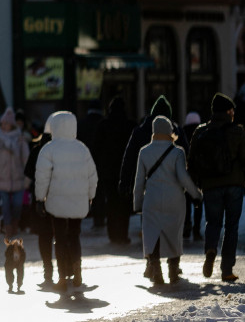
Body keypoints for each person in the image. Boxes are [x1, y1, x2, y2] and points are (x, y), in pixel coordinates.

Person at [188, 93, 245, 282]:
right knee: (231, 226)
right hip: (234, 186)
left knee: (213, 223)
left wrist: (193, 189)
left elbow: (192, 163)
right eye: (232, 110)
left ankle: (211, 249)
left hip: (211, 186)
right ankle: (227, 269)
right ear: (227, 111)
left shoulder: (200, 132)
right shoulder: (237, 131)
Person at [33, 111, 98, 296]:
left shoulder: (48, 149)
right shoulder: (82, 148)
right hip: (78, 200)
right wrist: (90, 196)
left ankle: (62, 278)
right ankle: (77, 272)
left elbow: (42, 177)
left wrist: (40, 198)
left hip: (56, 200)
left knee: (60, 238)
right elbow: (92, 175)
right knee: (75, 235)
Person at [132, 116, 201, 285]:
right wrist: (196, 194)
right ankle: (173, 270)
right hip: (175, 200)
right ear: (169, 130)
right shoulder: (177, 152)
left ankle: (156, 269)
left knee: (152, 235)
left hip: (152, 199)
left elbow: (139, 181)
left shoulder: (144, 151)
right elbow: (183, 177)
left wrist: (137, 203)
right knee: (174, 234)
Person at [116, 96, 187, 248]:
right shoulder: (177, 131)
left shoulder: (140, 131)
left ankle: (152, 260)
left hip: (148, 187)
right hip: (172, 186)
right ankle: (172, 263)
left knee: (149, 224)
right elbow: (187, 156)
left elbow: (128, 158)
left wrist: (125, 181)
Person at [94, 96, 136, 245]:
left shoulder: (103, 125)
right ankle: (123, 235)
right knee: (124, 205)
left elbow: (97, 149)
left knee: (111, 204)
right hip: (125, 171)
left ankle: (113, 234)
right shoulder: (130, 125)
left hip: (108, 173)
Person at [0, 108, 29, 237]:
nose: (4, 126)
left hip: (18, 178)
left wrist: (28, 177)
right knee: (5, 206)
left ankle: (15, 225)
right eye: (2, 123)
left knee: (17, 205)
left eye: (6, 123)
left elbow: (26, 159)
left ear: (11, 124)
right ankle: (8, 230)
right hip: (2, 177)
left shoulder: (20, 138)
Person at [24, 119, 54, 287]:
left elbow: (28, 172)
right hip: (59, 197)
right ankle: (67, 270)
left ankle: (47, 270)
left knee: (45, 237)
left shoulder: (37, 150)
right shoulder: (59, 151)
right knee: (62, 235)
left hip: (40, 199)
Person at [182, 111, 204, 241]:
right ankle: (196, 230)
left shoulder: (181, 133)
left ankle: (186, 226)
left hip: (185, 174)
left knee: (185, 202)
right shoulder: (203, 133)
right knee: (198, 203)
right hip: (199, 174)